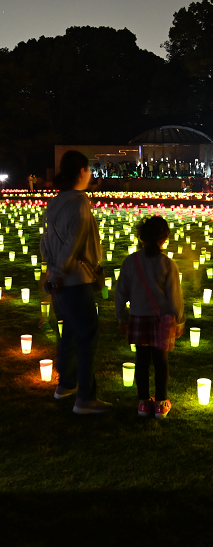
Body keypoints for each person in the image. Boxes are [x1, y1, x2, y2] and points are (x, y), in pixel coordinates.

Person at [40, 150, 110, 414]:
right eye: (89, 170)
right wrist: (59, 272)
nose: (90, 174)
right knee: (86, 336)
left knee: (68, 332)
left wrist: (51, 272)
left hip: (58, 280)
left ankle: (65, 385)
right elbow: (74, 240)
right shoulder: (80, 201)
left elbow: (45, 240)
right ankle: (85, 398)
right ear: (82, 172)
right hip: (74, 280)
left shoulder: (55, 201)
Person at [115, 216, 184, 419]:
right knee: (161, 361)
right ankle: (161, 404)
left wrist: (121, 317)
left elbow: (121, 292)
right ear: (164, 239)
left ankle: (144, 403)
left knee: (142, 361)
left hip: (138, 317)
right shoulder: (168, 264)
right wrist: (178, 319)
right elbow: (175, 296)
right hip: (161, 320)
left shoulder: (130, 261)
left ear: (142, 237)